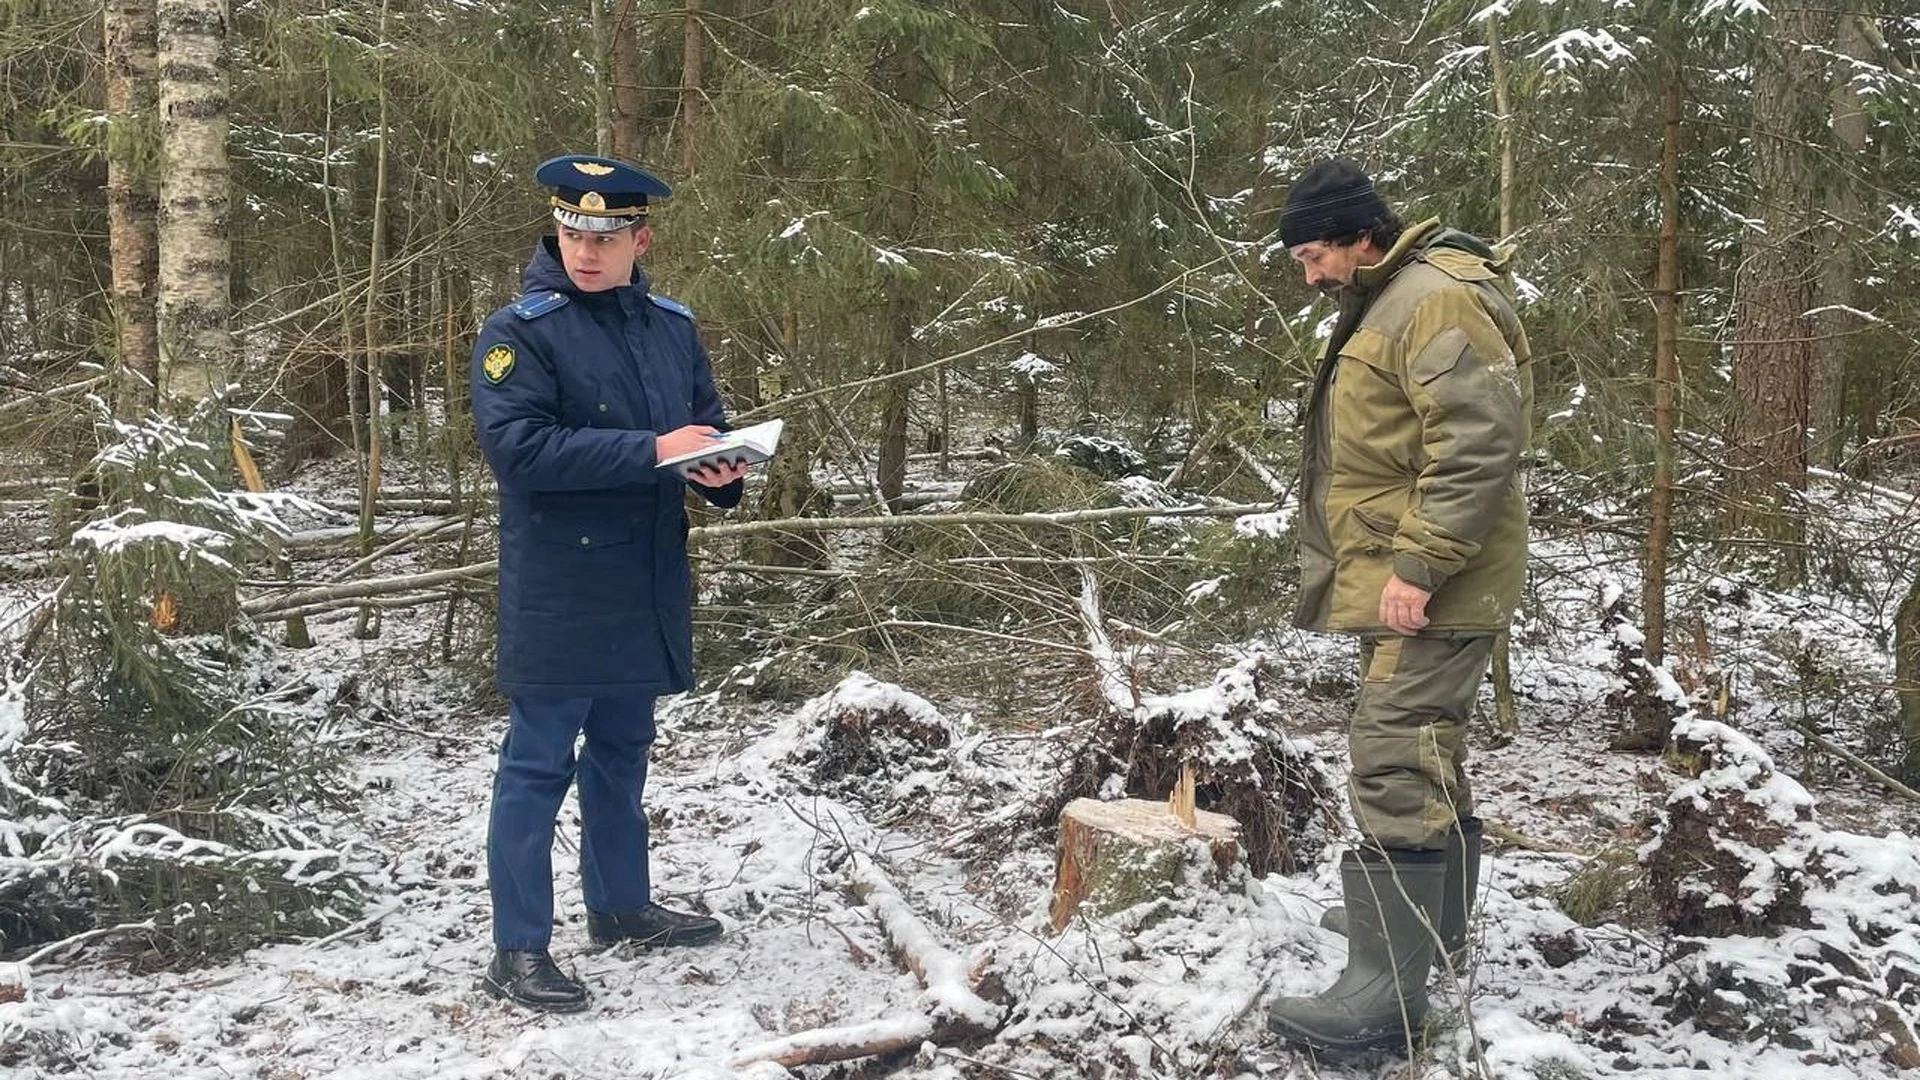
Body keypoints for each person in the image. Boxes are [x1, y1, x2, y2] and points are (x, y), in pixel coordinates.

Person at [468, 153, 749, 1013]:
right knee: (536, 765)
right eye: (571, 232)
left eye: (604, 235)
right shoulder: (520, 331)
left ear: (640, 238)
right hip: (559, 582)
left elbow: (705, 428)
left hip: (646, 574)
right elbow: (520, 451)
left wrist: (720, 470)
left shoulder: (671, 327)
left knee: (626, 751)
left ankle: (620, 906)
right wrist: (654, 452)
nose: (585, 250)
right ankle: (517, 949)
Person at [1265, 160, 1532, 1052]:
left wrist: (1417, 567)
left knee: (1390, 754)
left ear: (1358, 234)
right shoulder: (1394, 296)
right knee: (1422, 747)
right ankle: (1429, 939)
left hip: (1438, 578)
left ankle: (1384, 998)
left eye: (1313, 254)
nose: (1309, 274)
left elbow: (1478, 443)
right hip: (1418, 570)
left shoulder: (1432, 298)